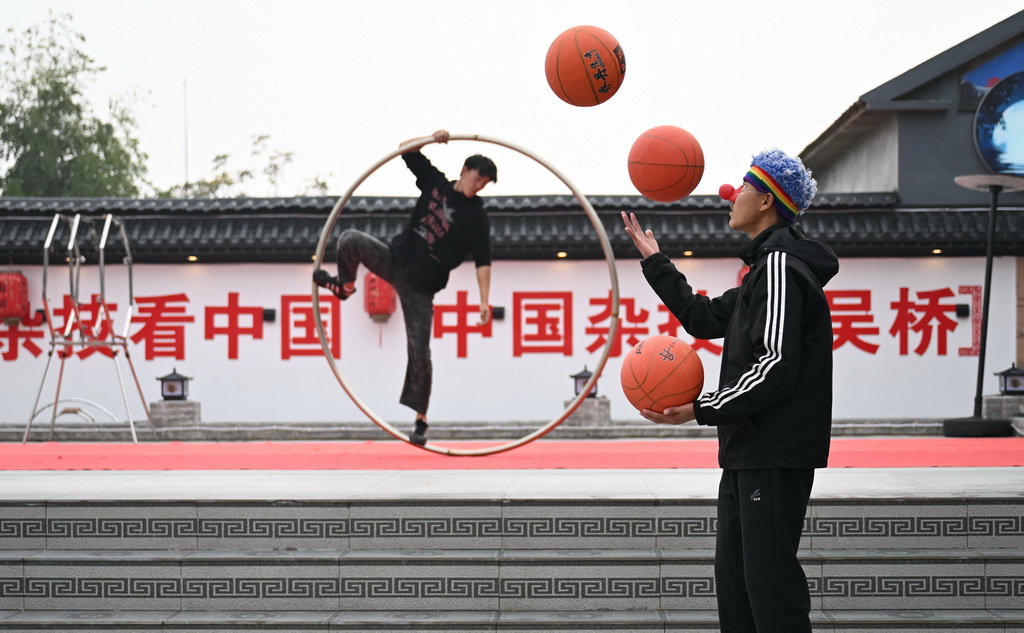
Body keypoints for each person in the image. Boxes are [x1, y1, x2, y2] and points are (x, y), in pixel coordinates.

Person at [622, 149, 838, 633]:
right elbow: (702, 318)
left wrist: (701, 409)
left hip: (774, 451)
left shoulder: (781, 267)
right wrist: (656, 262)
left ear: (765, 202)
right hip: (748, 450)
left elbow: (775, 365)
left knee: (770, 586)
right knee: (738, 583)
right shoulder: (763, 271)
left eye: (742, 188)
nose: (732, 195)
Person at [314, 129, 496, 446]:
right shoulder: (435, 182)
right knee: (350, 240)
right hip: (395, 260)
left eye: (484, 184)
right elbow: (405, 151)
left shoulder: (476, 215)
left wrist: (484, 301)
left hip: (422, 289)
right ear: (465, 170)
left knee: (420, 351)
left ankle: (420, 421)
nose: (478, 186)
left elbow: (483, 260)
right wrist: (431, 138)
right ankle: (345, 287)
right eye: (477, 179)